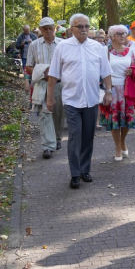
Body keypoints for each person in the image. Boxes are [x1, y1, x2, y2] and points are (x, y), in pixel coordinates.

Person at [46, 13, 112, 189]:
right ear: (72, 29)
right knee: (75, 135)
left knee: (88, 136)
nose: (84, 30)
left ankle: (85, 170)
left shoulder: (98, 48)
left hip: (91, 99)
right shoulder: (63, 47)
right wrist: (50, 98)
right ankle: (75, 173)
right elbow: (53, 75)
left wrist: (108, 92)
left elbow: (106, 72)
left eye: (86, 26)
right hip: (71, 100)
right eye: (80, 27)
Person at [25, 17, 65, 159]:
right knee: (44, 114)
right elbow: (28, 66)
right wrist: (43, 72)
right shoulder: (34, 45)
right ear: (41, 30)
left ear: (54, 28)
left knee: (58, 114)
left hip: (60, 84)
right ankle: (47, 146)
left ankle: (57, 138)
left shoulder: (62, 44)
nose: (48, 31)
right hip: (42, 84)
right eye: (45, 29)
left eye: (50, 28)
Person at [99, 25, 135, 161]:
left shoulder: (130, 50)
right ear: (112, 37)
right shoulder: (106, 50)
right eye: (119, 33)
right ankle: (117, 146)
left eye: (124, 33)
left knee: (128, 119)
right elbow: (102, 69)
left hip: (127, 89)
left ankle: (123, 141)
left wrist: (131, 71)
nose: (123, 35)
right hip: (112, 89)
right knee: (114, 119)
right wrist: (107, 90)